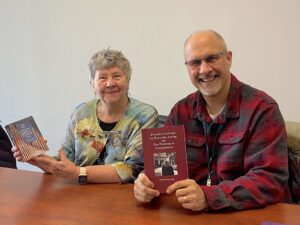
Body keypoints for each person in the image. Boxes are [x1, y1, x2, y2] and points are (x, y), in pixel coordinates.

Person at [134, 30, 292, 211]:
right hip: (191, 215)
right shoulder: (180, 112)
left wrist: (210, 197)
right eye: (195, 62)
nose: (204, 70)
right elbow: (162, 169)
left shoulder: (262, 109)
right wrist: (147, 183)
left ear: (229, 59)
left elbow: (270, 178)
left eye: (212, 58)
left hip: (249, 214)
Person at [13, 49, 158, 183]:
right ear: (92, 84)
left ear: (128, 81)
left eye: (117, 76)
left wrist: (78, 173)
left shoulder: (145, 115)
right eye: (102, 78)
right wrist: (35, 158)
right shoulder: (81, 113)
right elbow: (66, 164)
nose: (110, 83)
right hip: (78, 194)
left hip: (121, 198)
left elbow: (134, 168)